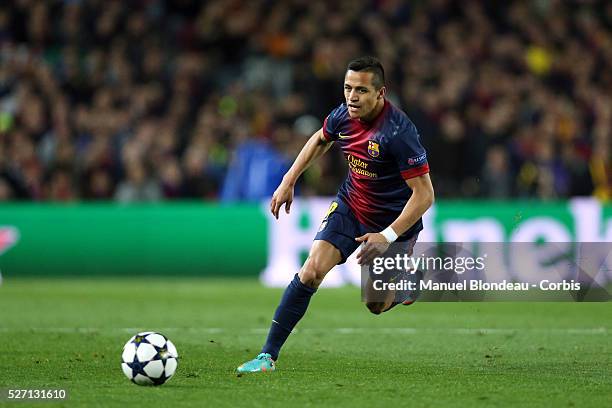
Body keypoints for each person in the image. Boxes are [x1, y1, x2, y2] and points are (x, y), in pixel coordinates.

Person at [237, 56, 435, 373]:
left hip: (392, 222)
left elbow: (425, 195)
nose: (352, 97)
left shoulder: (399, 133)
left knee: (375, 305)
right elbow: (319, 139)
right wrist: (289, 180)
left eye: (361, 90)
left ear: (380, 93)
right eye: (347, 88)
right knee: (311, 271)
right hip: (351, 206)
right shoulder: (345, 114)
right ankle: (267, 357)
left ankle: (408, 284)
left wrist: (387, 236)